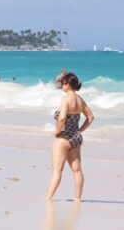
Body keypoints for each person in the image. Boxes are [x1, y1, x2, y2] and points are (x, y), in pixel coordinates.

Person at [46, 72, 94, 202]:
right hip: (76, 138)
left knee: (57, 170)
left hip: (63, 137)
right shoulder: (80, 100)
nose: (61, 85)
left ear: (67, 85)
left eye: (63, 83)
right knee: (77, 170)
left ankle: (48, 198)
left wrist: (57, 131)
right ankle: (77, 199)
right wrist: (80, 131)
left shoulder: (65, 100)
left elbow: (62, 118)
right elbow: (90, 117)